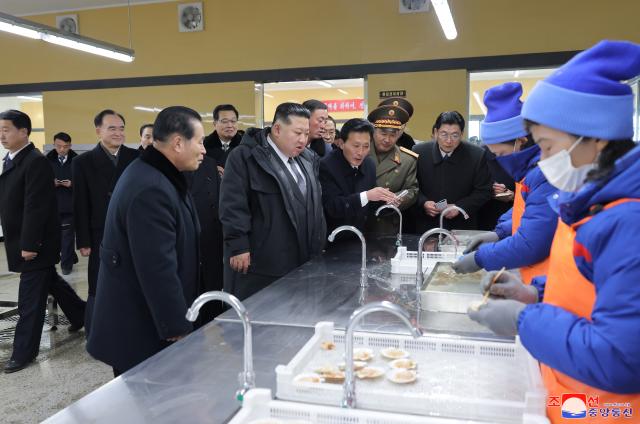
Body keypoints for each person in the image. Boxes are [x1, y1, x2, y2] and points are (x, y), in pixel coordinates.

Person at [468, 40, 640, 423]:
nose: (543, 162)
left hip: (610, 410)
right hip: (573, 398)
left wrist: (523, 320)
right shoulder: (591, 203)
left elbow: (623, 358)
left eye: (547, 147)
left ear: (596, 137)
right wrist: (535, 293)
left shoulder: (628, 220)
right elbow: (592, 286)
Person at [87, 106, 205, 376]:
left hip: (150, 321)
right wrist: (176, 325)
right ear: (178, 143)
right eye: (199, 141)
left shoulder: (161, 175)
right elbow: (156, 268)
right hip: (141, 330)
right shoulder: (152, 188)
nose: (203, 149)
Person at [0, 110, 85, 373]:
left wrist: (30, 245)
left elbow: (35, 207)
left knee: (30, 301)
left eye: (6, 129)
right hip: (23, 240)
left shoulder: (34, 161)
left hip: (34, 245)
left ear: (24, 132)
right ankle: (84, 315)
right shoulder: (12, 159)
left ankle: (23, 353)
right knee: (52, 283)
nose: (2, 134)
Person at [453, 82, 557, 284]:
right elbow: (525, 211)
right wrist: (498, 233)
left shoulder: (544, 173)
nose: (500, 160)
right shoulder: (527, 169)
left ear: (521, 141)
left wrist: (480, 258)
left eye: (501, 153)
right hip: (534, 279)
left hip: (547, 279)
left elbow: (531, 243)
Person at [220, 102, 326, 301]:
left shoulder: (308, 159)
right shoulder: (245, 157)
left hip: (304, 258)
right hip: (265, 260)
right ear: (277, 129)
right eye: (297, 133)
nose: (303, 140)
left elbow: (315, 205)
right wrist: (238, 245)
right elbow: (233, 204)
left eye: (306, 133)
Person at [72, 109, 139, 334]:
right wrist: (83, 240)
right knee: (99, 282)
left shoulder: (135, 157)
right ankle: (97, 329)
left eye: (121, 128)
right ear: (98, 130)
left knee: (130, 278)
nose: (118, 133)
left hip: (131, 229)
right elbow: (79, 203)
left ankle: (130, 324)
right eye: (112, 128)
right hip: (99, 231)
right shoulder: (83, 162)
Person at [412, 111, 492, 232]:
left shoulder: (477, 155)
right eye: (444, 134)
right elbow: (411, 185)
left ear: (462, 134)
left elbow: (484, 190)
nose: (449, 141)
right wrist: (423, 202)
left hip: (462, 225)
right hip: (427, 223)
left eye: (455, 135)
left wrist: (460, 207)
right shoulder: (419, 152)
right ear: (435, 133)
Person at [319, 118, 395, 235]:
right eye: (356, 146)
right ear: (341, 143)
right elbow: (332, 207)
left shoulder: (369, 164)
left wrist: (385, 200)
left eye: (366, 146)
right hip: (334, 237)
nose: (361, 152)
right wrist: (367, 195)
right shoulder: (326, 166)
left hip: (361, 236)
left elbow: (370, 204)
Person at [366, 105, 419, 235]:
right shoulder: (361, 153)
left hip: (388, 223)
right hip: (361, 219)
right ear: (374, 130)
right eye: (383, 133)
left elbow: (412, 189)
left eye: (393, 135)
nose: (387, 140)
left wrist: (398, 198)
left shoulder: (407, 159)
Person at [186, 153, 224, 326]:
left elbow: (218, 199)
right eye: (198, 140)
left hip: (211, 235)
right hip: (187, 236)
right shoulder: (171, 165)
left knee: (212, 285)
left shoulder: (209, 163)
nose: (202, 147)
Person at [46, 132, 78, 275]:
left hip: (70, 206)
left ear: (70, 146)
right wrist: (50, 183)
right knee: (59, 237)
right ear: (54, 145)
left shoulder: (78, 161)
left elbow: (85, 183)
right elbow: (39, 182)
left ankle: (66, 265)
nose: (62, 149)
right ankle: (71, 256)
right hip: (53, 206)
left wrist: (72, 184)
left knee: (67, 236)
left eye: (65, 147)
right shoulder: (46, 161)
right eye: (59, 146)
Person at [203, 104, 244, 175]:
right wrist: (210, 168)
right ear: (215, 124)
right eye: (225, 121)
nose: (230, 125)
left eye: (233, 121)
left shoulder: (245, 145)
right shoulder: (203, 145)